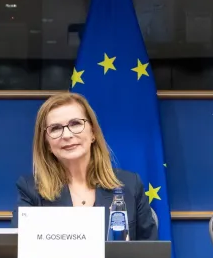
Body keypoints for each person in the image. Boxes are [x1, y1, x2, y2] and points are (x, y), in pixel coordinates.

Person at [16, 92, 157, 241]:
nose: (67, 135)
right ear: (47, 144)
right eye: (55, 128)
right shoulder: (30, 189)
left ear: (93, 133)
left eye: (75, 124)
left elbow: (150, 254)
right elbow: (18, 251)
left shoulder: (130, 184)